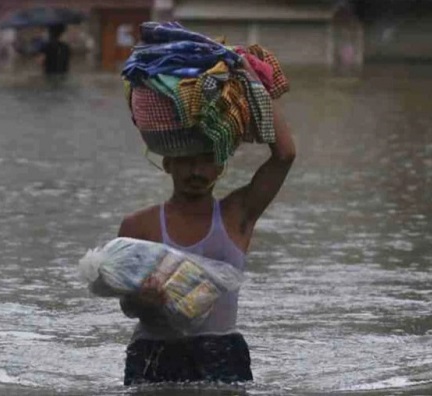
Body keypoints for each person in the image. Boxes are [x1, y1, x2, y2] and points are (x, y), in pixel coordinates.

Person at [117, 59, 297, 385]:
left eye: (206, 161)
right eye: (186, 162)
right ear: (168, 163)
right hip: (153, 354)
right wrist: (143, 300)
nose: (196, 172)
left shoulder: (237, 215)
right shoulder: (137, 228)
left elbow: (284, 155)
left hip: (222, 350)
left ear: (220, 167)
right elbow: (127, 307)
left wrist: (252, 81)